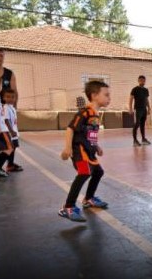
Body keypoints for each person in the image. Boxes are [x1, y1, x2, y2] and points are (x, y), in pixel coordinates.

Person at [58, 81, 111, 222]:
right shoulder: (84, 112)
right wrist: (67, 148)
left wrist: (97, 146)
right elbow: (70, 129)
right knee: (84, 173)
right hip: (79, 150)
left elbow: (91, 133)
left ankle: (88, 199)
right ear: (94, 95)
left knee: (98, 172)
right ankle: (67, 207)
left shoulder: (95, 114)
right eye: (106, 95)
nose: (109, 98)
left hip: (89, 151)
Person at [2, 89, 23, 172]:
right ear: (4, 97)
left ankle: (10, 164)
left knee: (13, 148)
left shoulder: (12, 108)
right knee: (9, 149)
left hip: (13, 132)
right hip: (10, 133)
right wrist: (11, 131)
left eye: (12, 97)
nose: (10, 99)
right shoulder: (6, 107)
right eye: (8, 97)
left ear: (15, 98)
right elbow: (6, 120)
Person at [129, 75, 151, 146]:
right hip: (138, 109)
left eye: (143, 80)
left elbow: (146, 99)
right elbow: (131, 99)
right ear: (138, 81)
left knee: (142, 124)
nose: (142, 81)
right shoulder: (135, 89)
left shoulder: (145, 90)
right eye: (141, 80)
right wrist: (130, 108)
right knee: (137, 124)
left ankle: (143, 139)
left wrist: (149, 108)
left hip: (144, 109)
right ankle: (135, 140)